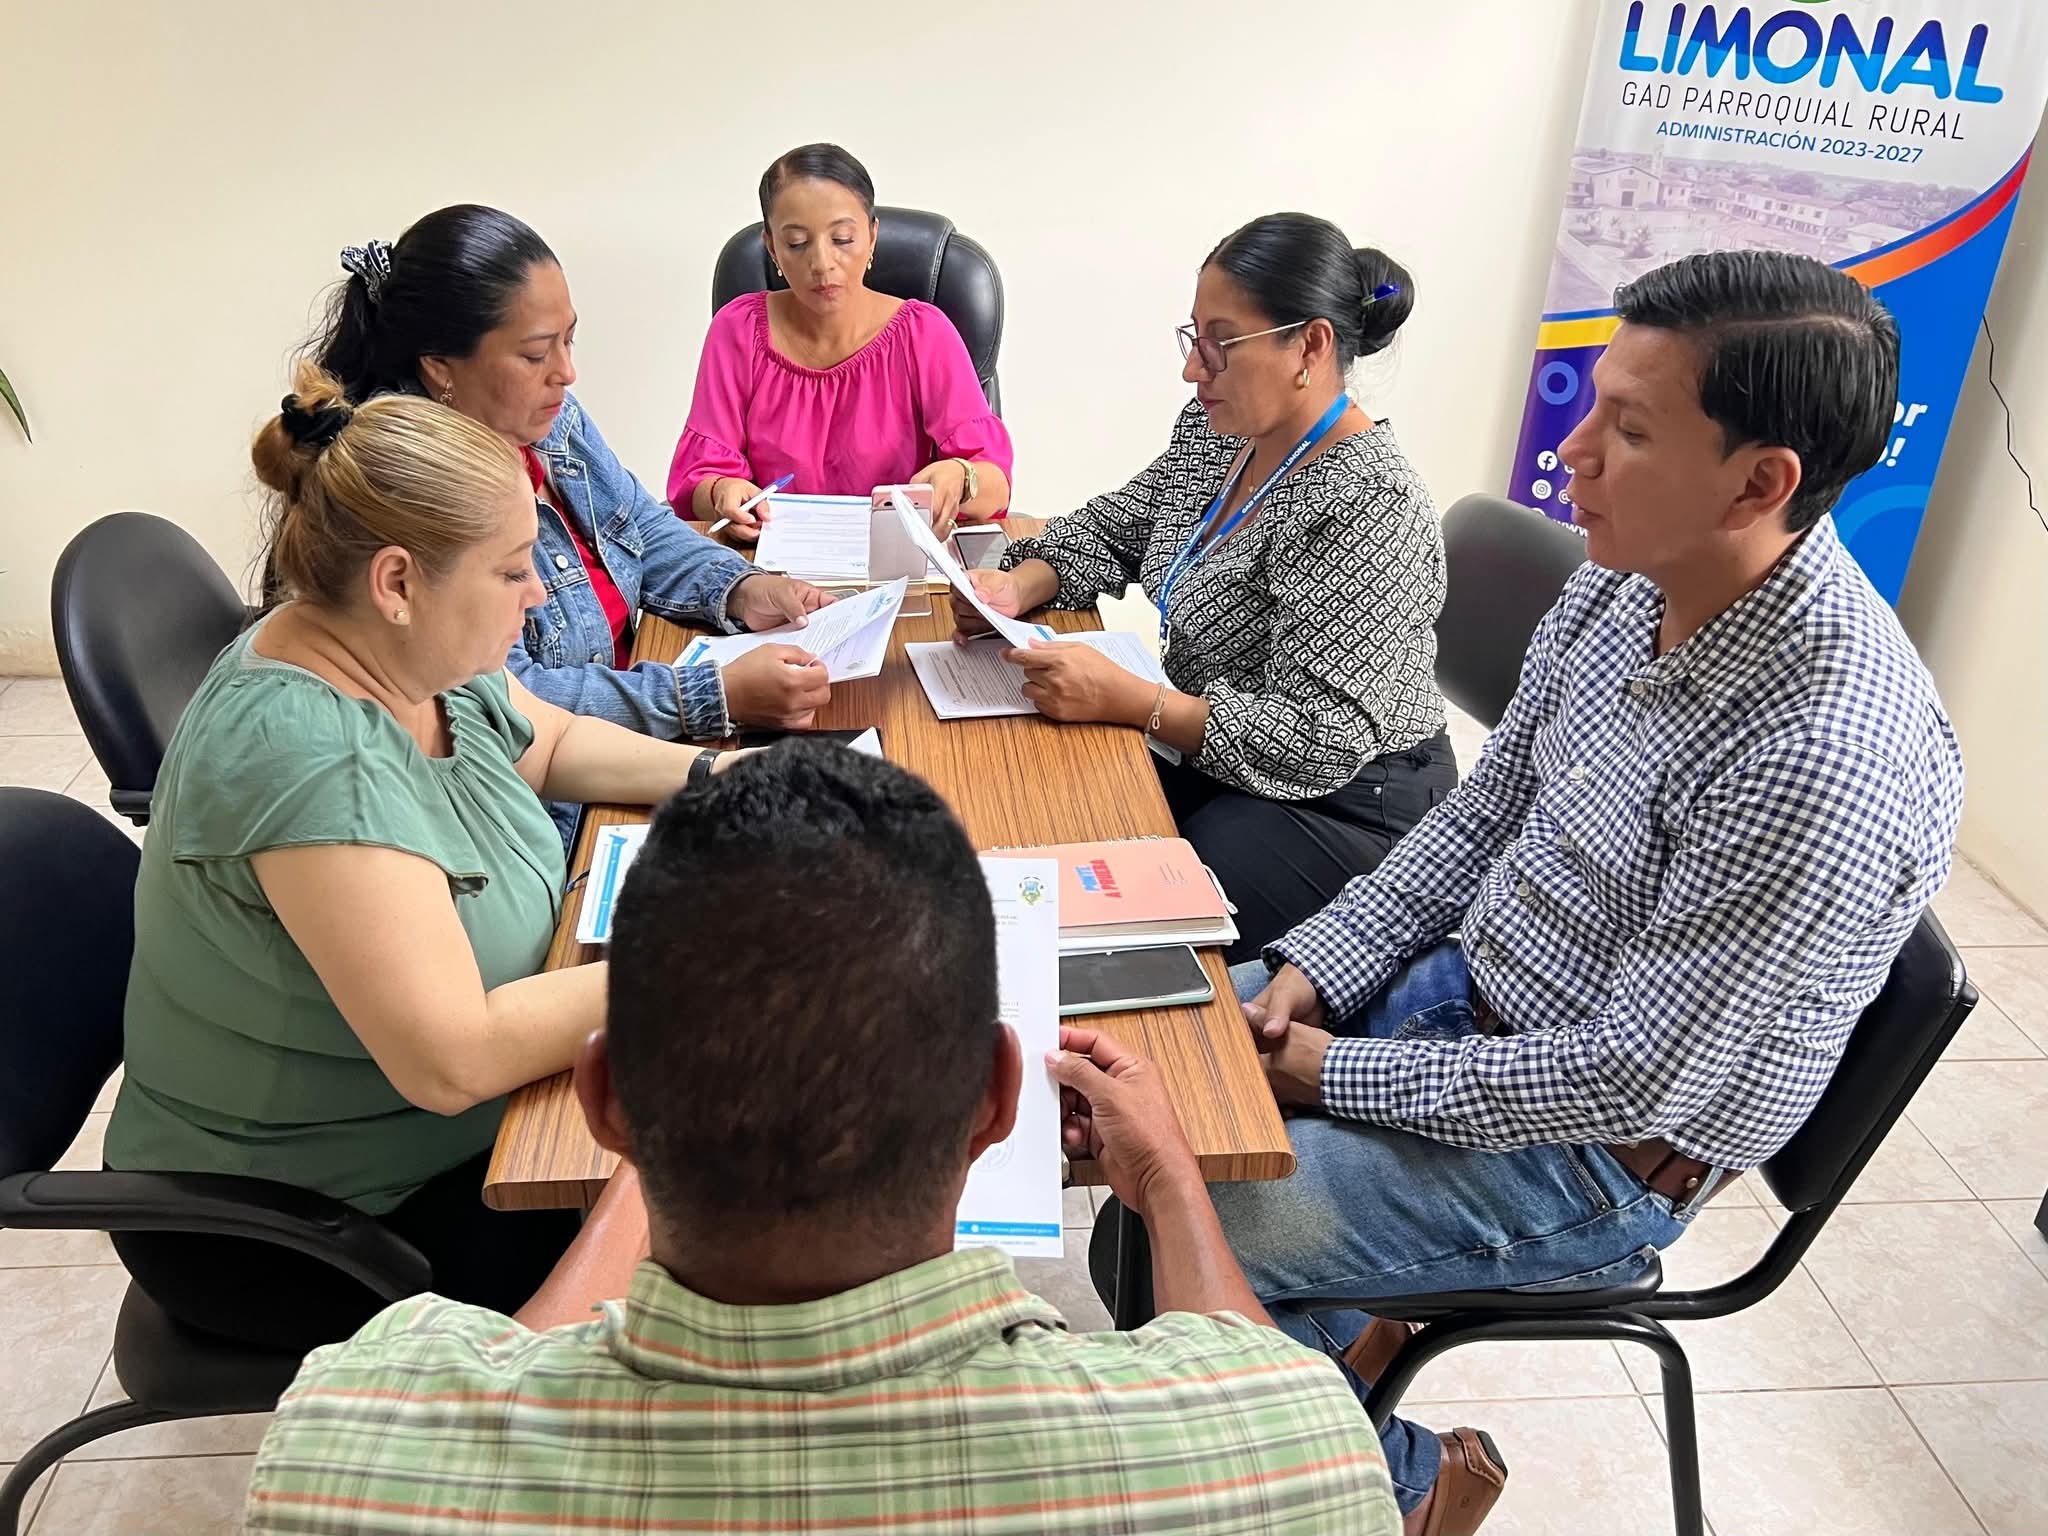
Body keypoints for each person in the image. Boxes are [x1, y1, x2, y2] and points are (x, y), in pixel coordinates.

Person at [1101, 250, 1965, 1535]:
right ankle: (1333, 1352)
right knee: (1133, 1066)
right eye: (1592, 404)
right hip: (1470, 998)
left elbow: (1625, 1079)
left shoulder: (1819, 751)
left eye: (1629, 429)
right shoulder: (1628, 577)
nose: (1572, 452)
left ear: (1759, 482)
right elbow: (1482, 813)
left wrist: (1328, 1073)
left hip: (1594, 1148)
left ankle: (1409, 1488)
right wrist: (1316, 970)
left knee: (1180, 1220)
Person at [243, 743, 1401, 1536]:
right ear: (998, 1099)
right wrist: (1170, 1183)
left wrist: (664, 1130)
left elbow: (508, 1384)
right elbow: (1247, 1368)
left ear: (603, 1103)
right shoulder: (1290, 1460)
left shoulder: (348, 1453)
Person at [107, 365, 753, 1355]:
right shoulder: (309, 757)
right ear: (398, 581)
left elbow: (549, 742)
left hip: (463, 1135)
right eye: (512, 570)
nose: (538, 592)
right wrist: (717, 955)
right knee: (745, 1194)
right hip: (318, 1224)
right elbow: (457, 1058)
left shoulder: (400, 648)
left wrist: (722, 776)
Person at [953, 213, 1454, 963]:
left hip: (1348, 801)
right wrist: (1020, 584)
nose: (1195, 369)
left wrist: (1136, 702)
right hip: (1213, 747)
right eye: (1194, 337)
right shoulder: (1219, 429)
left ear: (1309, 346)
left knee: (1130, 925)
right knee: (1046, 807)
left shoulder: (1371, 501)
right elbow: (1123, 525)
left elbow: (1318, 737)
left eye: (1222, 343)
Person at [309, 204, 835, 843]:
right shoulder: (416, 488)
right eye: (536, 353)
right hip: (553, 810)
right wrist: (707, 695)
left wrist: (741, 588)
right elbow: (509, 705)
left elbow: (638, 524)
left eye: (569, 339)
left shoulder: (546, 416)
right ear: (440, 365)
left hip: (620, 739)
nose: (567, 372)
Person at [669, 143, 1014, 540]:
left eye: (843, 239)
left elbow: (995, 485)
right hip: (767, 562)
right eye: (797, 243)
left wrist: (962, 476)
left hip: (896, 560)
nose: (822, 263)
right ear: (772, 248)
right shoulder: (738, 330)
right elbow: (697, 480)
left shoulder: (925, 334)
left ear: (872, 236)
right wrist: (720, 492)